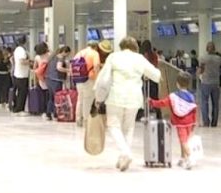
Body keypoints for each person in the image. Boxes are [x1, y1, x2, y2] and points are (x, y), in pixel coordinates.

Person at [95, 37, 160, 172]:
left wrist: (99, 97)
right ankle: (123, 158)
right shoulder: (139, 58)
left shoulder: (113, 57)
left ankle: (126, 153)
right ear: (135, 46)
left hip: (116, 96)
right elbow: (156, 75)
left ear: (121, 46)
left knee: (113, 125)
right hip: (134, 98)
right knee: (128, 128)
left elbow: (104, 78)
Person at [149, 73, 198, 169]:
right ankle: (183, 158)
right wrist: (194, 122)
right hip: (190, 122)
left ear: (177, 84)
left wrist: (152, 102)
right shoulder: (191, 97)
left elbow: (162, 103)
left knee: (183, 141)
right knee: (185, 141)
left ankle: (190, 158)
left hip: (180, 123)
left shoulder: (173, 96)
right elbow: (194, 109)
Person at [72, 40, 107, 129]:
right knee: (88, 100)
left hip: (78, 79)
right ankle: (86, 120)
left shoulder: (79, 53)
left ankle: (78, 119)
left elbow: (72, 65)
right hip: (89, 79)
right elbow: (96, 65)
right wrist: (98, 77)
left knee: (80, 99)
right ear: (95, 47)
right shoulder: (94, 53)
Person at [197, 42, 221, 128]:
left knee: (204, 102)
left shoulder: (203, 58)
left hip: (206, 82)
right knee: (215, 104)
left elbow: (201, 70)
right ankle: (214, 123)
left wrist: (198, 73)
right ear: (214, 48)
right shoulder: (218, 58)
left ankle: (206, 122)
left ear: (207, 49)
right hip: (216, 83)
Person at [45, 46, 71, 120]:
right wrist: (68, 70)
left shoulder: (53, 57)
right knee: (57, 97)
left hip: (49, 79)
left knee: (51, 97)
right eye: (68, 54)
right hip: (56, 80)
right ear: (65, 52)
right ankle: (56, 113)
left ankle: (48, 113)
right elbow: (59, 68)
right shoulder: (60, 58)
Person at [11, 36, 30, 115]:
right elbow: (22, 62)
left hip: (17, 73)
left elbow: (13, 60)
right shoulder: (22, 50)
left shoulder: (16, 50)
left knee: (18, 92)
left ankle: (16, 107)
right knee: (22, 93)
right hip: (22, 75)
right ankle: (20, 109)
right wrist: (30, 61)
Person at [32, 42, 50, 119]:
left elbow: (34, 68)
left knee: (42, 96)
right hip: (49, 78)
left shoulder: (37, 57)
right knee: (49, 96)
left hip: (40, 78)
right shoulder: (49, 56)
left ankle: (43, 111)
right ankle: (48, 112)